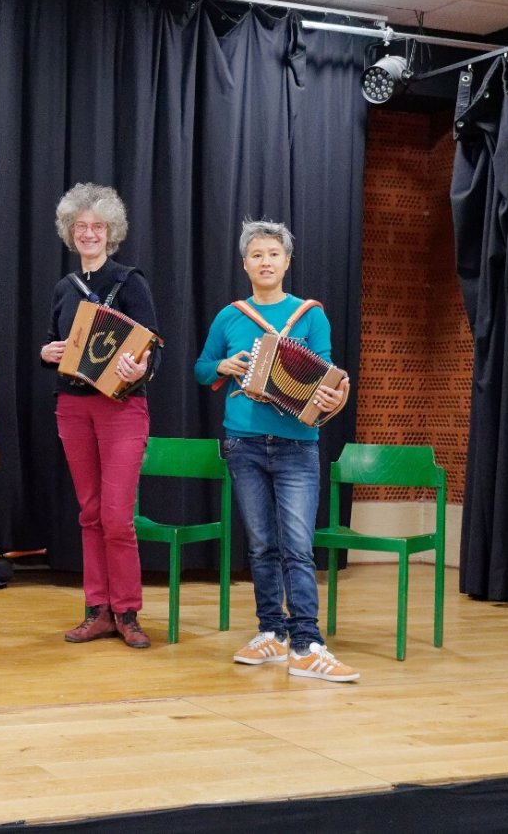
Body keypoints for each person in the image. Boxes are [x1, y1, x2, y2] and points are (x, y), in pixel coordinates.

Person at [195, 219, 358, 682]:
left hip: (297, 446)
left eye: (273, 254)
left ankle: (307, 643)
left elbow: (328, 375)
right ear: (244, 263)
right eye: (256, 255)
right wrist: (221, 366)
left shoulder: (310, 314)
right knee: (262, 544)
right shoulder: (230, 316)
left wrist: (332, 393)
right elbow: (202, 369)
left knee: (298, 547)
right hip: (242, 442)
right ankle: (272, 632)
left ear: (287, 261)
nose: (265, 262)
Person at [39, 183, 157, 649]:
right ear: (70, 232)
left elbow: (151, 347)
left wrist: (141, 364)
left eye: (97, 226)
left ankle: (127, 612)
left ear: (111, 233)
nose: (88, 233)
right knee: (89, 513)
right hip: (72, 406)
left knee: (116, 516)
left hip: (122, 407)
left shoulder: (130, 282)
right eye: (80, 226)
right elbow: (53, 344)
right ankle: (98, 610)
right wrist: (47, 352)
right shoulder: (63, 289)